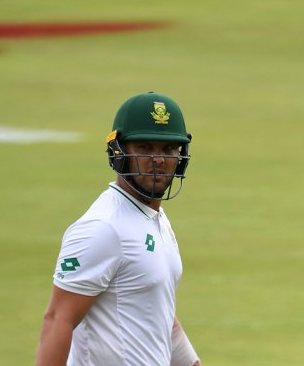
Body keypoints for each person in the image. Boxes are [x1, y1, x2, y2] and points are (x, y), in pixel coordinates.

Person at [35, 92, 202, 366]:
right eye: (145, 147)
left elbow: (158, 316)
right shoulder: (103, 227)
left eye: (168, 149)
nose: (158, 160)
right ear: (119, 151)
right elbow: (57, 320)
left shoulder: (156, 219)